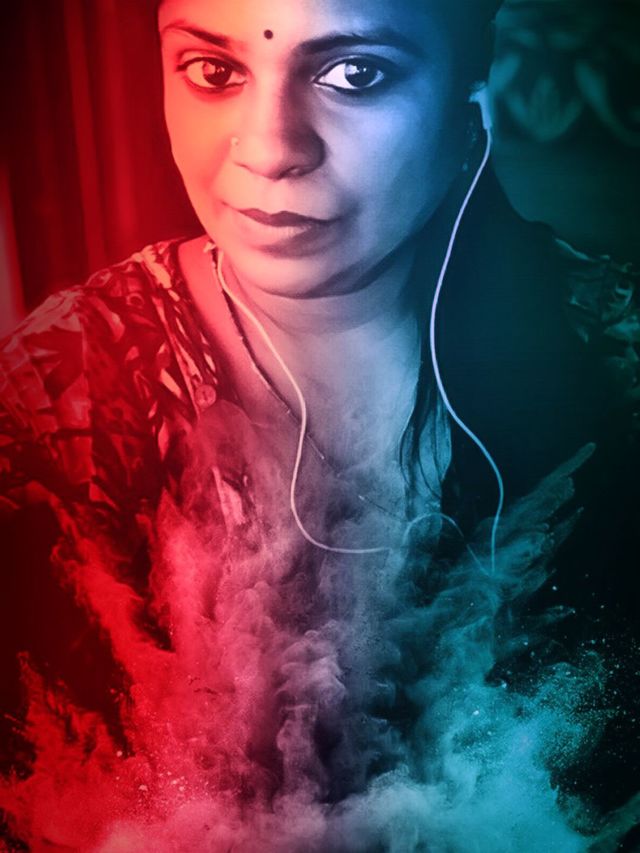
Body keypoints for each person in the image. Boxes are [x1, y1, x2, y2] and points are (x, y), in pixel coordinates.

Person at [0, 1, 638, 850]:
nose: (268, 150)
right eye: (214, 70)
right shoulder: (60, 398)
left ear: (469, 101)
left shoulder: (613, 349)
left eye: (354, 74)